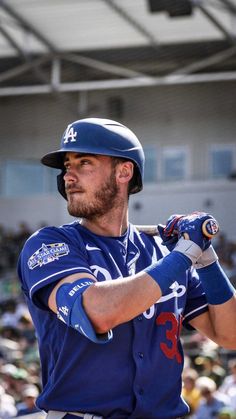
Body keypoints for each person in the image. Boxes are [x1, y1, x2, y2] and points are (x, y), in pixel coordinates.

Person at [17, 118, 236, 419]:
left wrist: (206, 259)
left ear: (124, 171)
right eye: (67, 166)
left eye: (84, 163)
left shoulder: (162, 254)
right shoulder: (50, 245)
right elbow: (98, 312)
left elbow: (231, 334)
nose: (68, 176)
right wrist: (184, 255)